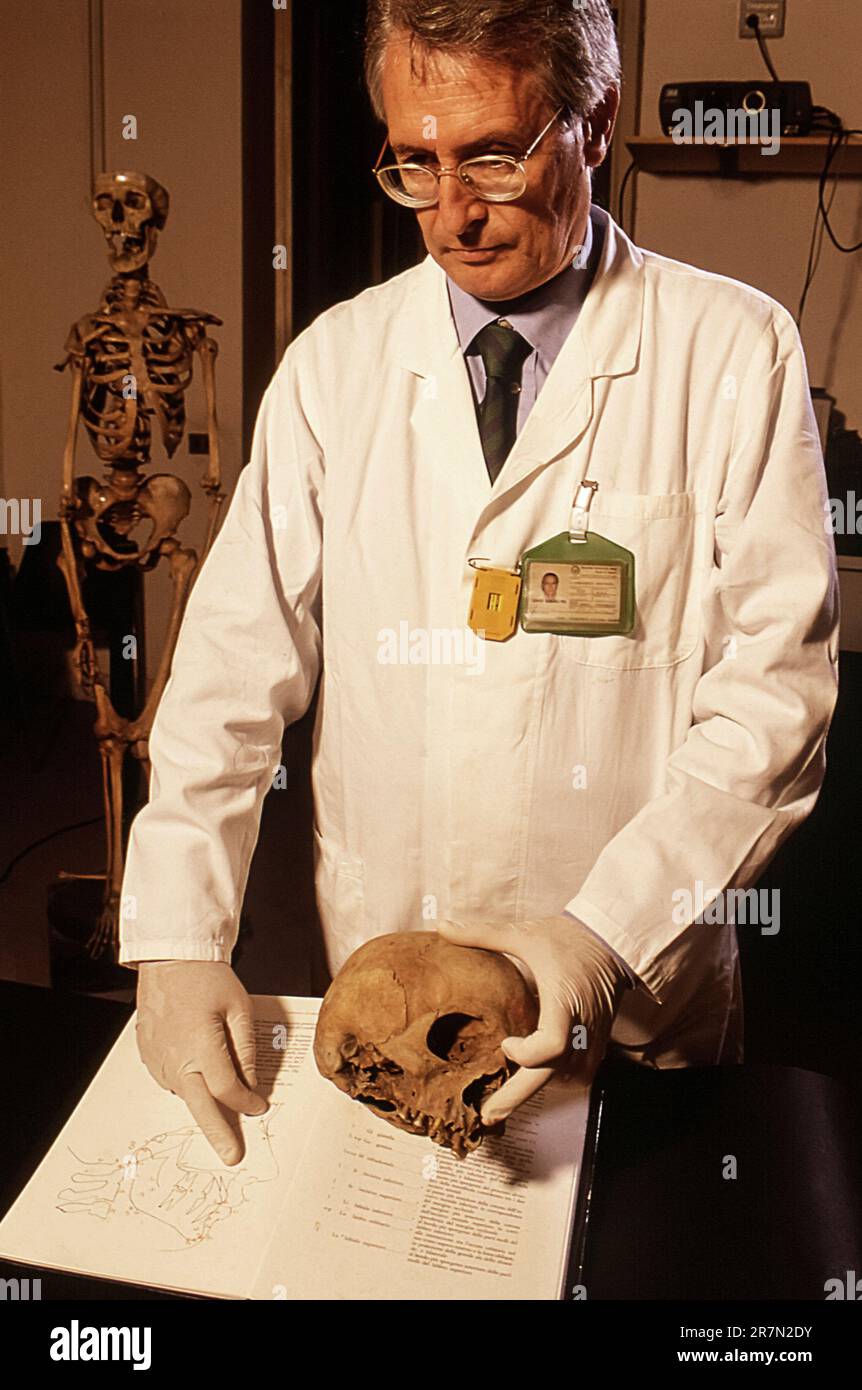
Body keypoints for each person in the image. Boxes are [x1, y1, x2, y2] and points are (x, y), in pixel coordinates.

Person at [120, 0, 839, 1165]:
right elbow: (228, 675)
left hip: (635, 1001)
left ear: (593, 124)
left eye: (494, 156)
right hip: (396, 1012)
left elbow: (776, 704)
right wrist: (174, 934)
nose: (449, 214)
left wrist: (600, 940)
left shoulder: (730, 351)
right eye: (415, 161)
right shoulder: (333, 368)